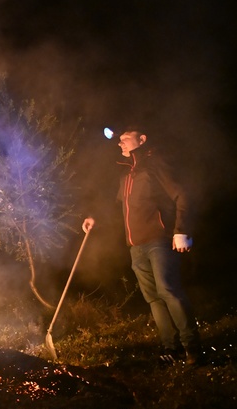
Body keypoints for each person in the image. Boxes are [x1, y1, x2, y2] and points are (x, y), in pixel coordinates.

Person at [83, 125, 201, 365]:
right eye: (120, 140)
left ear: (142, 139)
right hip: (135, 246)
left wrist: (181, 231)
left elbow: (182, 195)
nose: (120, 143)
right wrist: (95, 216)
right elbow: (117, 208)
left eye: (126, 138)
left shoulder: (154, 164)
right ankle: (171, 348)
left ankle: (193, 348)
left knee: (168, 291)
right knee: (154, 299)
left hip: (159, 239)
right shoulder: (127, 175)